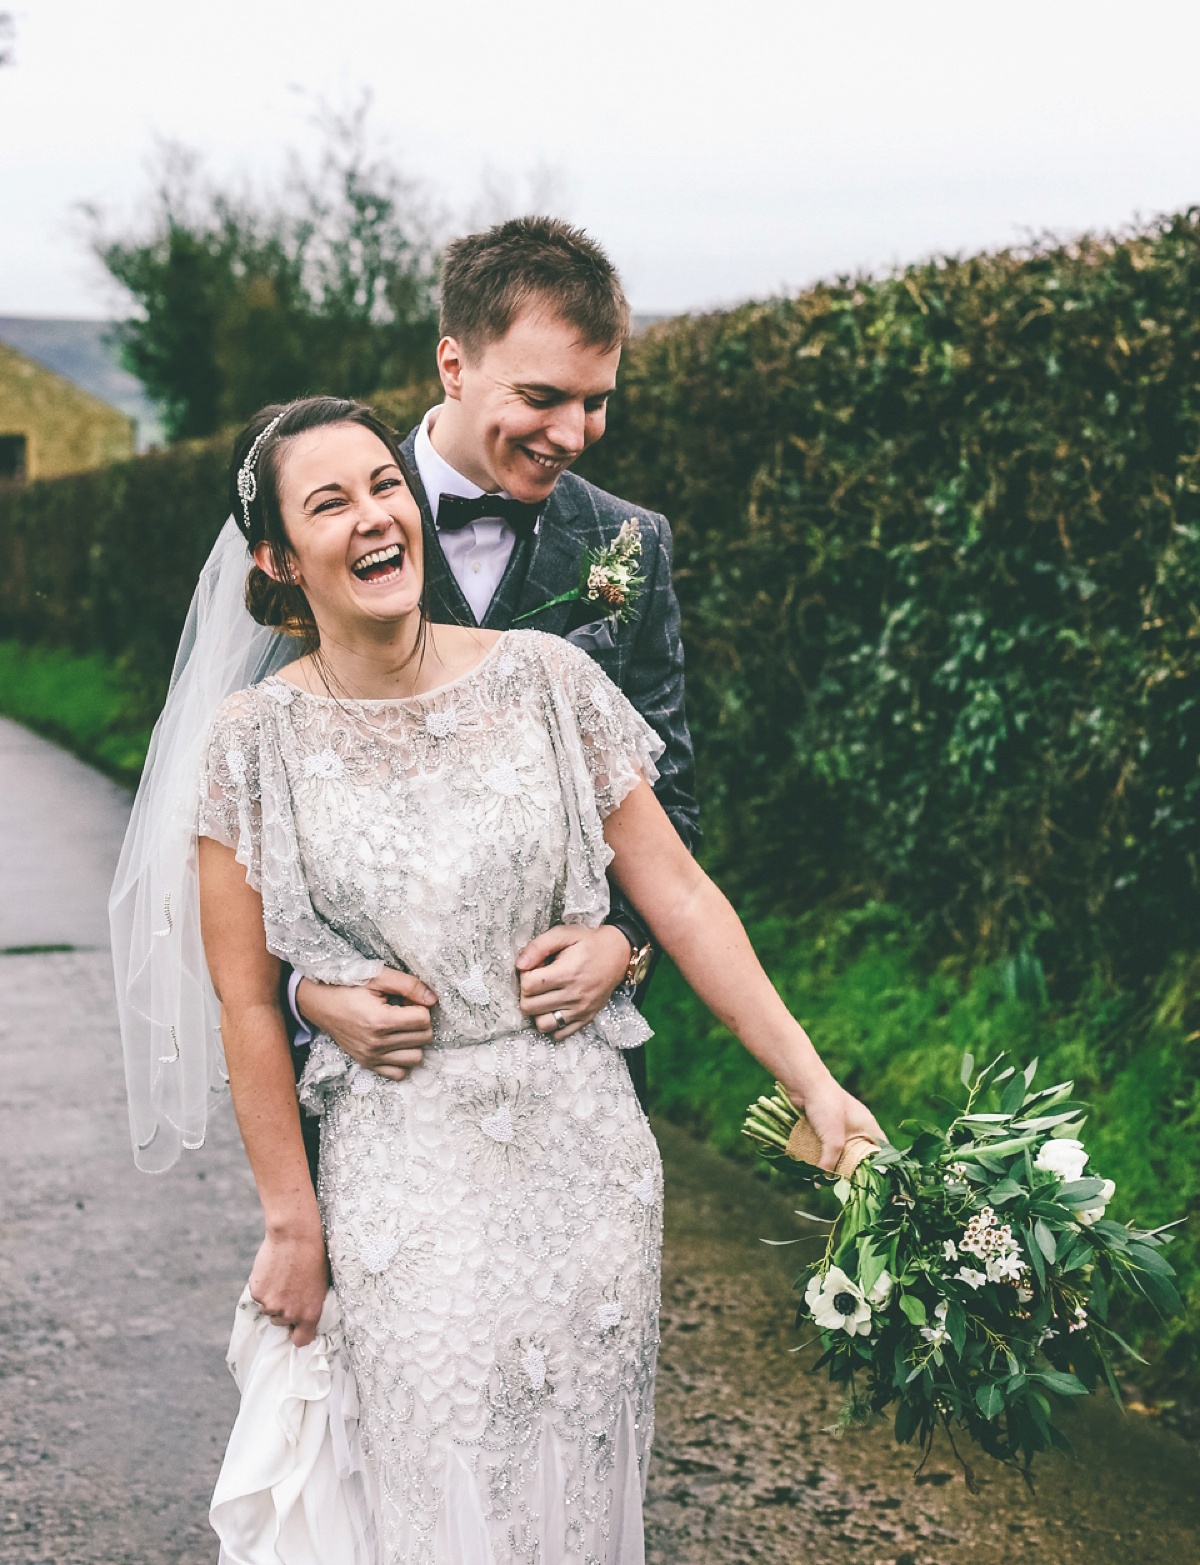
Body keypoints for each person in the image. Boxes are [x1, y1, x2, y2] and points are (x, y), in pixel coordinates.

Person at [189, 395, 882, 1562]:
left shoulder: (548, 681)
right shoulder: (250, 745)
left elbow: (685, 897)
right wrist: (290, 1221)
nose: (375, 517)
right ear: (275, 560)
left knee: (574, 1482)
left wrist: (818, 1088)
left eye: (383, 486)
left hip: (585, 1163)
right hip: (404, 1179)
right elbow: (249, 996)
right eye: (331, 503)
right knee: (441, 1484)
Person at [286, 218, 697, 1128]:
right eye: (544, 395)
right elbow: (261, 823)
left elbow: (671, 796)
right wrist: (311, 999)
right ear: (454, 366)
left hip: (573, 1072)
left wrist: (624, 945)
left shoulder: (632, 544)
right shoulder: (328, 525)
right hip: (383, 1087)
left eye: (596, 400)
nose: (574, 433)